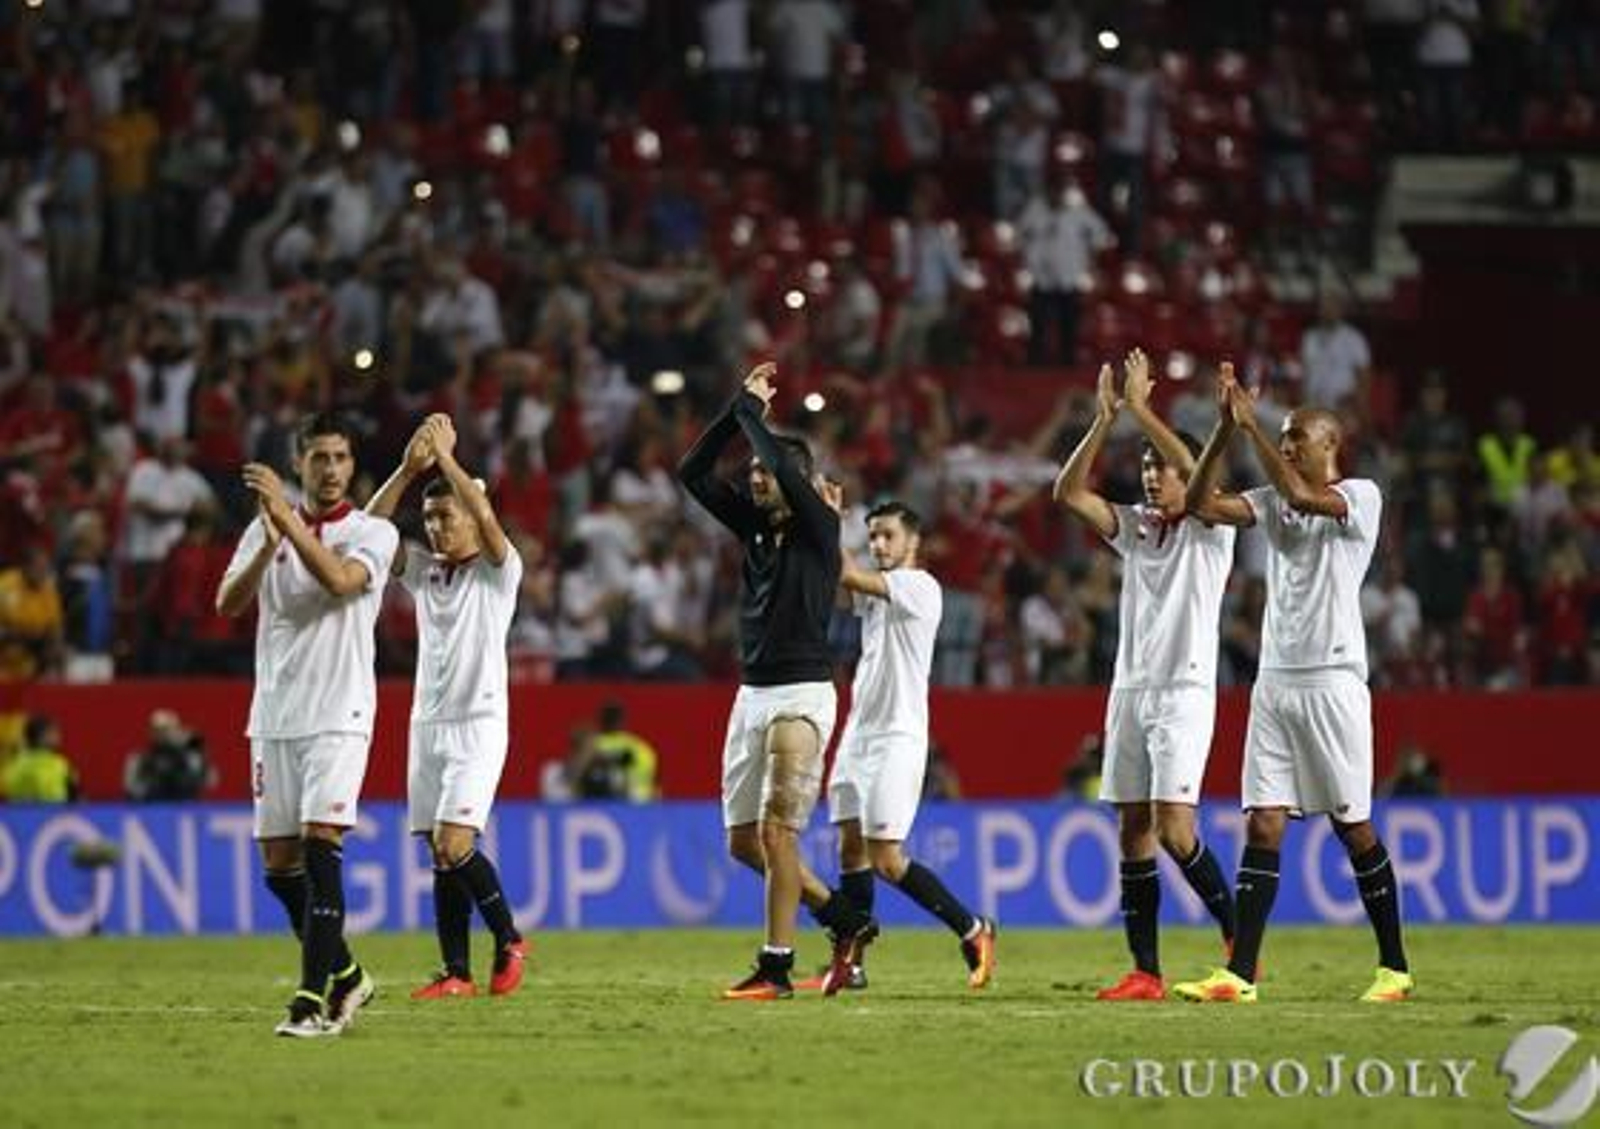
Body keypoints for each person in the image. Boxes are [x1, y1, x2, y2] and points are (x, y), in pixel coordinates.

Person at [1175, 368, 1413, 1004]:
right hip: (1275, 683)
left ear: (1330, 443)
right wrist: (1223, 432)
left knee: (1352, 826)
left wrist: (1251, 425)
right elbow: (1199, 505)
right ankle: (1240, 974)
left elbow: (1306, 499)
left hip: (1334, 682)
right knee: (1262, 825)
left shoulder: (1360, 496)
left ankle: (1394, 968)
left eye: (1294, 437)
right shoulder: (1272, 496)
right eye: (1280, 437)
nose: (1284, 445)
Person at [676, 361, 872, 1001]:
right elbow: (692, 473)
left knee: (778, 833)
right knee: (744, 844)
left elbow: (786, 467)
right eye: (753, 472)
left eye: (765, 471)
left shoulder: (821, 527)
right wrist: (735, 413)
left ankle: (776, 967)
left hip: (802, 695)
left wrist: (753, 413)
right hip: (751, 694)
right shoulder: (756, 527)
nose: (756, 478)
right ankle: (843, 917)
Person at [1052, 349, 1238, 1001]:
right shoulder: (1135, 527)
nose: (1153, 475)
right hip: (1129, 691)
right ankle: (1145, 972)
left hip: (1184, 691)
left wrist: (1142, 409)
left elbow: (1199, 466)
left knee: (1174, 829)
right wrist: (1105, 420)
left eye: (1162, 466)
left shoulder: (1212, 528)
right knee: (1131, 827)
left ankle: (1240, 939)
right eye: (1146, 466)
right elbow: (1067, 493)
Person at [216, 411, 398, 1037]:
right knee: (279, 869)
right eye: (319, 457)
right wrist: (269, 542)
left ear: (353, 464)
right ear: (299, 463)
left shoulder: (374, 532)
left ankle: (310, 1003)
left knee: (322, 849)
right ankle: (349, 976)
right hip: (275, 714)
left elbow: (342, 582)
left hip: (340, 713)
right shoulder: (266, 528)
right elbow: (227, 603)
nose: (330, 469)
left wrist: (288, 523)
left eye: (340, 457)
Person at [367, 414, 528, 1000]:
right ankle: (456, 972)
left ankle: (510, 939)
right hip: (427, 726)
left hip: (479, 724)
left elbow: (485, 515)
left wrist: (448, 459)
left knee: (454, 845)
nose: (435, 527)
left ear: (470, 516)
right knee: (440, 856)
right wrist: (408, 470)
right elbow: (368, 533)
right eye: (430, 517)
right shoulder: (425, 573)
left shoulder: (498, 571)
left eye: (446, 516)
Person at [816, 494, 997, 994]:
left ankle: (973, 929)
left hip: (898, 736)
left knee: (886, 858)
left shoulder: (919, 586)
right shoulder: (879, 590)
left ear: (914, 541)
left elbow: (846, 575)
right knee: (850, 848)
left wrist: (828, 521)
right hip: (858, 732)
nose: (877, 544)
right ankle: (850, 964)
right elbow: (840, 587)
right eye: (872, 535)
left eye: (887, 535)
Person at [124, 709, 211, 801]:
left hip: (184, 806)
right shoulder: (139, 758)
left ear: (177, 730)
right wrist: (154, 785)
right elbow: (131, 788)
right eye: (157, 730)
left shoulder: (189, 756)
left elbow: (208, 781)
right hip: (151, 806)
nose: (161, 734)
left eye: (166, 730)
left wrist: (199, 757)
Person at [592, 700, 659, 801]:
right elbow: (655, 784)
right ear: (622, 720)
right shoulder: (642, 748)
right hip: (642, 802)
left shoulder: (591, 745)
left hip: (613, 801)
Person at [1, 715, 78, 802]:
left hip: (17, 810)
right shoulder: (58, 764)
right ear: (43, 736)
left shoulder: (13, 763)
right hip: (53, 809)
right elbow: (73, 795)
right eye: (53, 732)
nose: (58, 736)